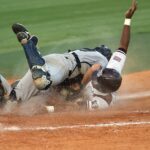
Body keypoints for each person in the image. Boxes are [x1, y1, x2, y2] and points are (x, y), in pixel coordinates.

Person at [0, 0, 137, 110]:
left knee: (11, 104)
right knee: (42, 82)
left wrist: (128, 19)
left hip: (53, 71)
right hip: (63, 66)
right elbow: (95, 68)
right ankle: (28, 43)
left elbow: (123, 47)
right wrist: (79, 90)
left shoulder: (105, 90)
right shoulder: (107, 67)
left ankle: (33, 59)